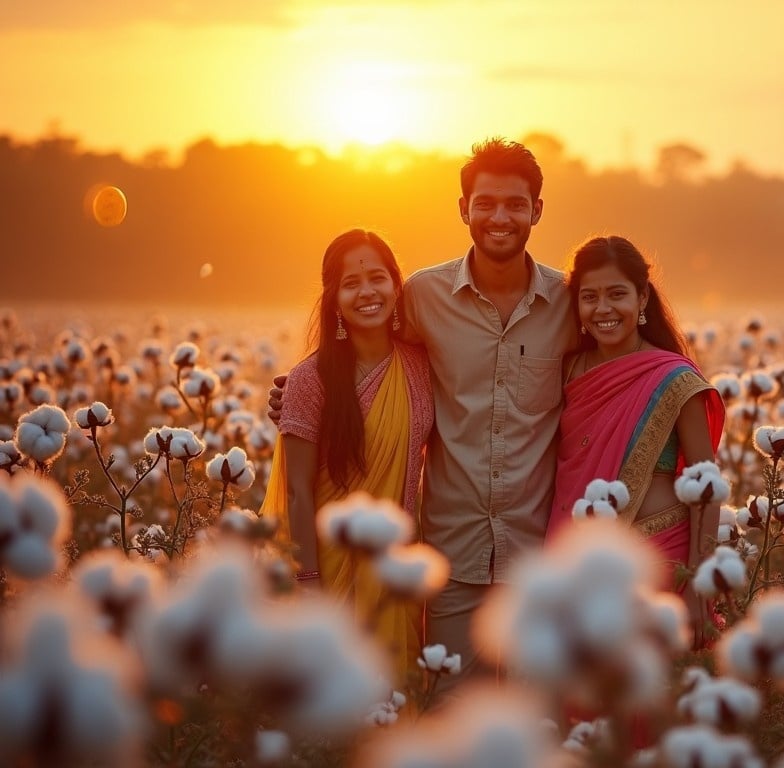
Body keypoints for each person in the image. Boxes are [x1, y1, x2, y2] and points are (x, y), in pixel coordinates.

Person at [269, 139, 576, 699]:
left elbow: (618, 363)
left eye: (514, 204)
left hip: (538, 558)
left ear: (537, 209)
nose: (499, 217)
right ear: (463, 210)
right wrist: (299, 399)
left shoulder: (569, 303)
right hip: (447, 560)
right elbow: (362, 363)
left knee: (540, 726)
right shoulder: (424, 297)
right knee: (449, 720)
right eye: (485, 203)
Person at [260, 228, 433, 685]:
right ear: (333, 299)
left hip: (397, 569)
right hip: (332, 568)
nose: (367, 292)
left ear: (397, 286)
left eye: (377, 278)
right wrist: (309, 581)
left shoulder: (421, 363)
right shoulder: (309, 380)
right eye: (351, 284)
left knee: (397, 704)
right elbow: (297, 492)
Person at [546, 235, 725, 646]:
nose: (603, 309)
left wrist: (699, 584)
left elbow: (707, 489)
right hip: (581, 557)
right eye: (589, 296)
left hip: (659, 559)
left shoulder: (675, 380)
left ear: (642, 297)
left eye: (617, 294)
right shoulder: (568, 371)